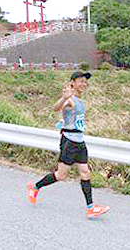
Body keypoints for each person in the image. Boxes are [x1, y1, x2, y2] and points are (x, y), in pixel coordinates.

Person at [27, 71, 110, 220]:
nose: (84, 84)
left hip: (79, 141)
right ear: (73, 83)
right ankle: (35, 187)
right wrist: (64, 98)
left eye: (85, 82)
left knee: (85, 172)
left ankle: (91, 209)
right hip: (69, 141)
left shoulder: (79, 99)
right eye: (81, 81)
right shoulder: (70, 99)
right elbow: (56, 107)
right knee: (61, 175)